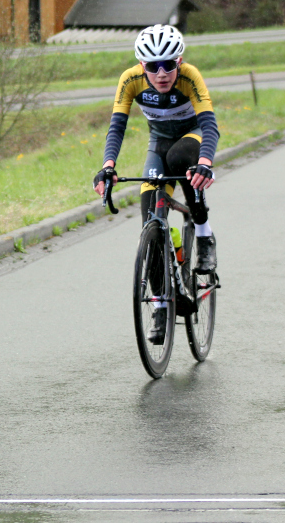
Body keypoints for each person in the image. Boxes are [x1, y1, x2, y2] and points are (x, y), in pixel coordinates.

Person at [93, 24, 219, 344]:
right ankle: (162, 304)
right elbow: (116, 128)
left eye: (169, 64)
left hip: (192, 140)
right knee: (150, 220)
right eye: (152, 66)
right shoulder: (130, 80)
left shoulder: (190, 76)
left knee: (180, 158)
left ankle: (202, 231)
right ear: (141, 66)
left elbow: (210, 125)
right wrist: (108, 167)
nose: (161, 73)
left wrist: (204, 162)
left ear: (180, 61)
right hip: (158, 144)